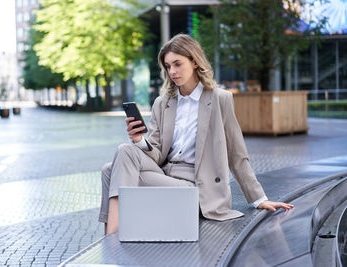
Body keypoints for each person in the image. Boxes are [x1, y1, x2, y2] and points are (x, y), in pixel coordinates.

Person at [99, 34, 294, 235]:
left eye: (177, 64)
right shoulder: (163, 102)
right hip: (164, 176)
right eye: (167, 66)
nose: (172, 71)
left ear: (194, 61)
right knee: (114, 163)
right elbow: (156, 154)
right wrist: (140, 141)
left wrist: (259, 199)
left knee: (114, 170)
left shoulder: (220, 99)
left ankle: (112, 237)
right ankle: (113, 233)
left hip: (195, 187)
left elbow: (237, 154)